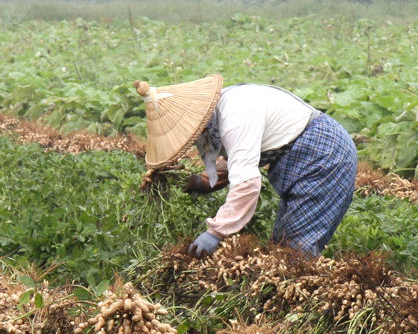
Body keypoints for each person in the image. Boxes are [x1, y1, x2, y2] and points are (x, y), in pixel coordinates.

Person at [134, 74, 357, 259]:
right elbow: (237, 157)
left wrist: (216, 232)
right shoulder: (219, 114)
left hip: (324, 155)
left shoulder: (235, 116)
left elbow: (247, 182)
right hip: (305, 156)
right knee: (283, 244)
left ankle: (308, 308)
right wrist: (203, 181)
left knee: (295, 252)